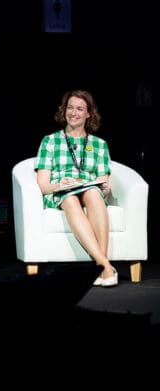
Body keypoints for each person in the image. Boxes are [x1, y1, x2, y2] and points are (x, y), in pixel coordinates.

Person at [35, 89, 117, 287]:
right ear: (64, 111)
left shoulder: (99, 144)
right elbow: (43, 185)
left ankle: (100, 267)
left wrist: (105, 187)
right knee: (71, 199)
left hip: (90, 190)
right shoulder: (50, 141)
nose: (74, 112)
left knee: (93, 193)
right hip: (62, 192)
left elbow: (103, 182)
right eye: (70, 107)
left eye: (80, 108)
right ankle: (105, 267)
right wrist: (59, 184)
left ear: (89, 114)